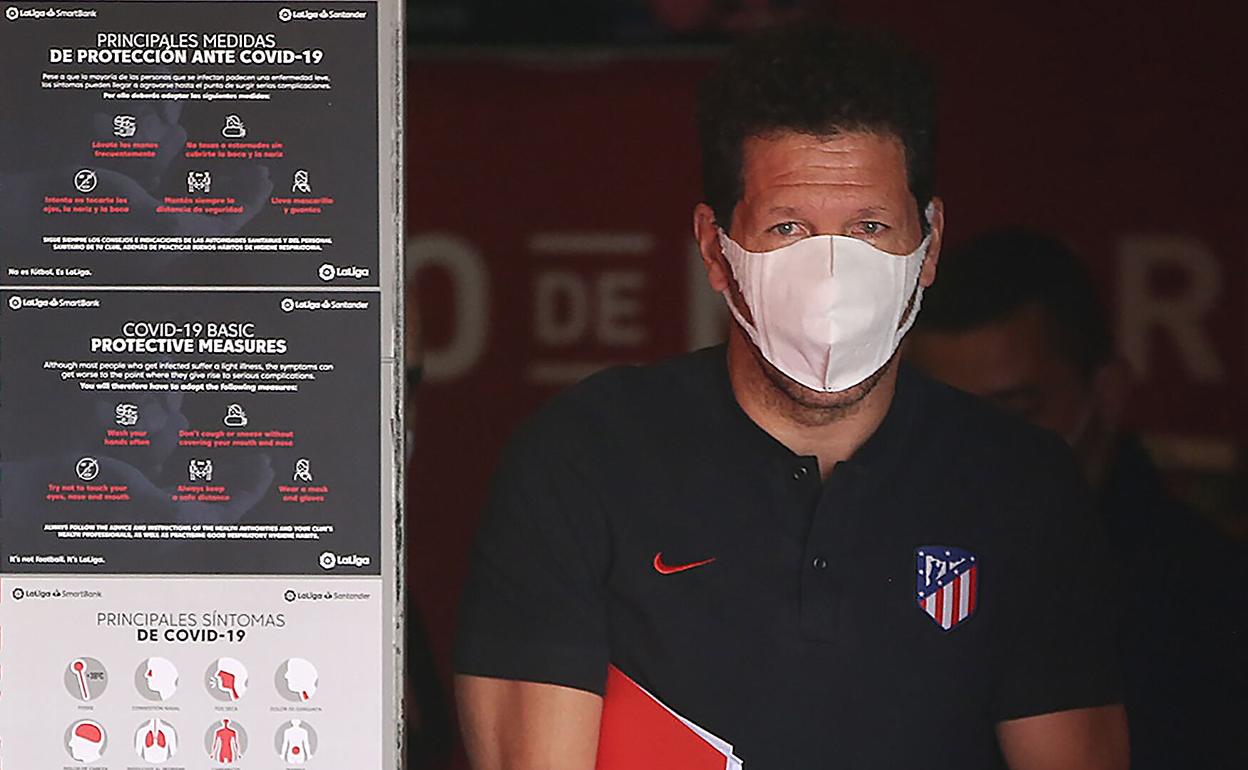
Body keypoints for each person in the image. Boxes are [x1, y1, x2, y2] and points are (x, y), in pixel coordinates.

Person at [454, 22, 1128, 770]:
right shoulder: (584, 460)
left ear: (929, 243)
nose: (832, 276)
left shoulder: (1020, 486)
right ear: (714, 248)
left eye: (869, 227)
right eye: (788, 228)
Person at [906, 228, 1247, 770]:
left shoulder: (1206, 608)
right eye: (947, 417)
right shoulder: (878, 561)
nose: (978, 448)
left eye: (1015, 414)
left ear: (1106, 393)